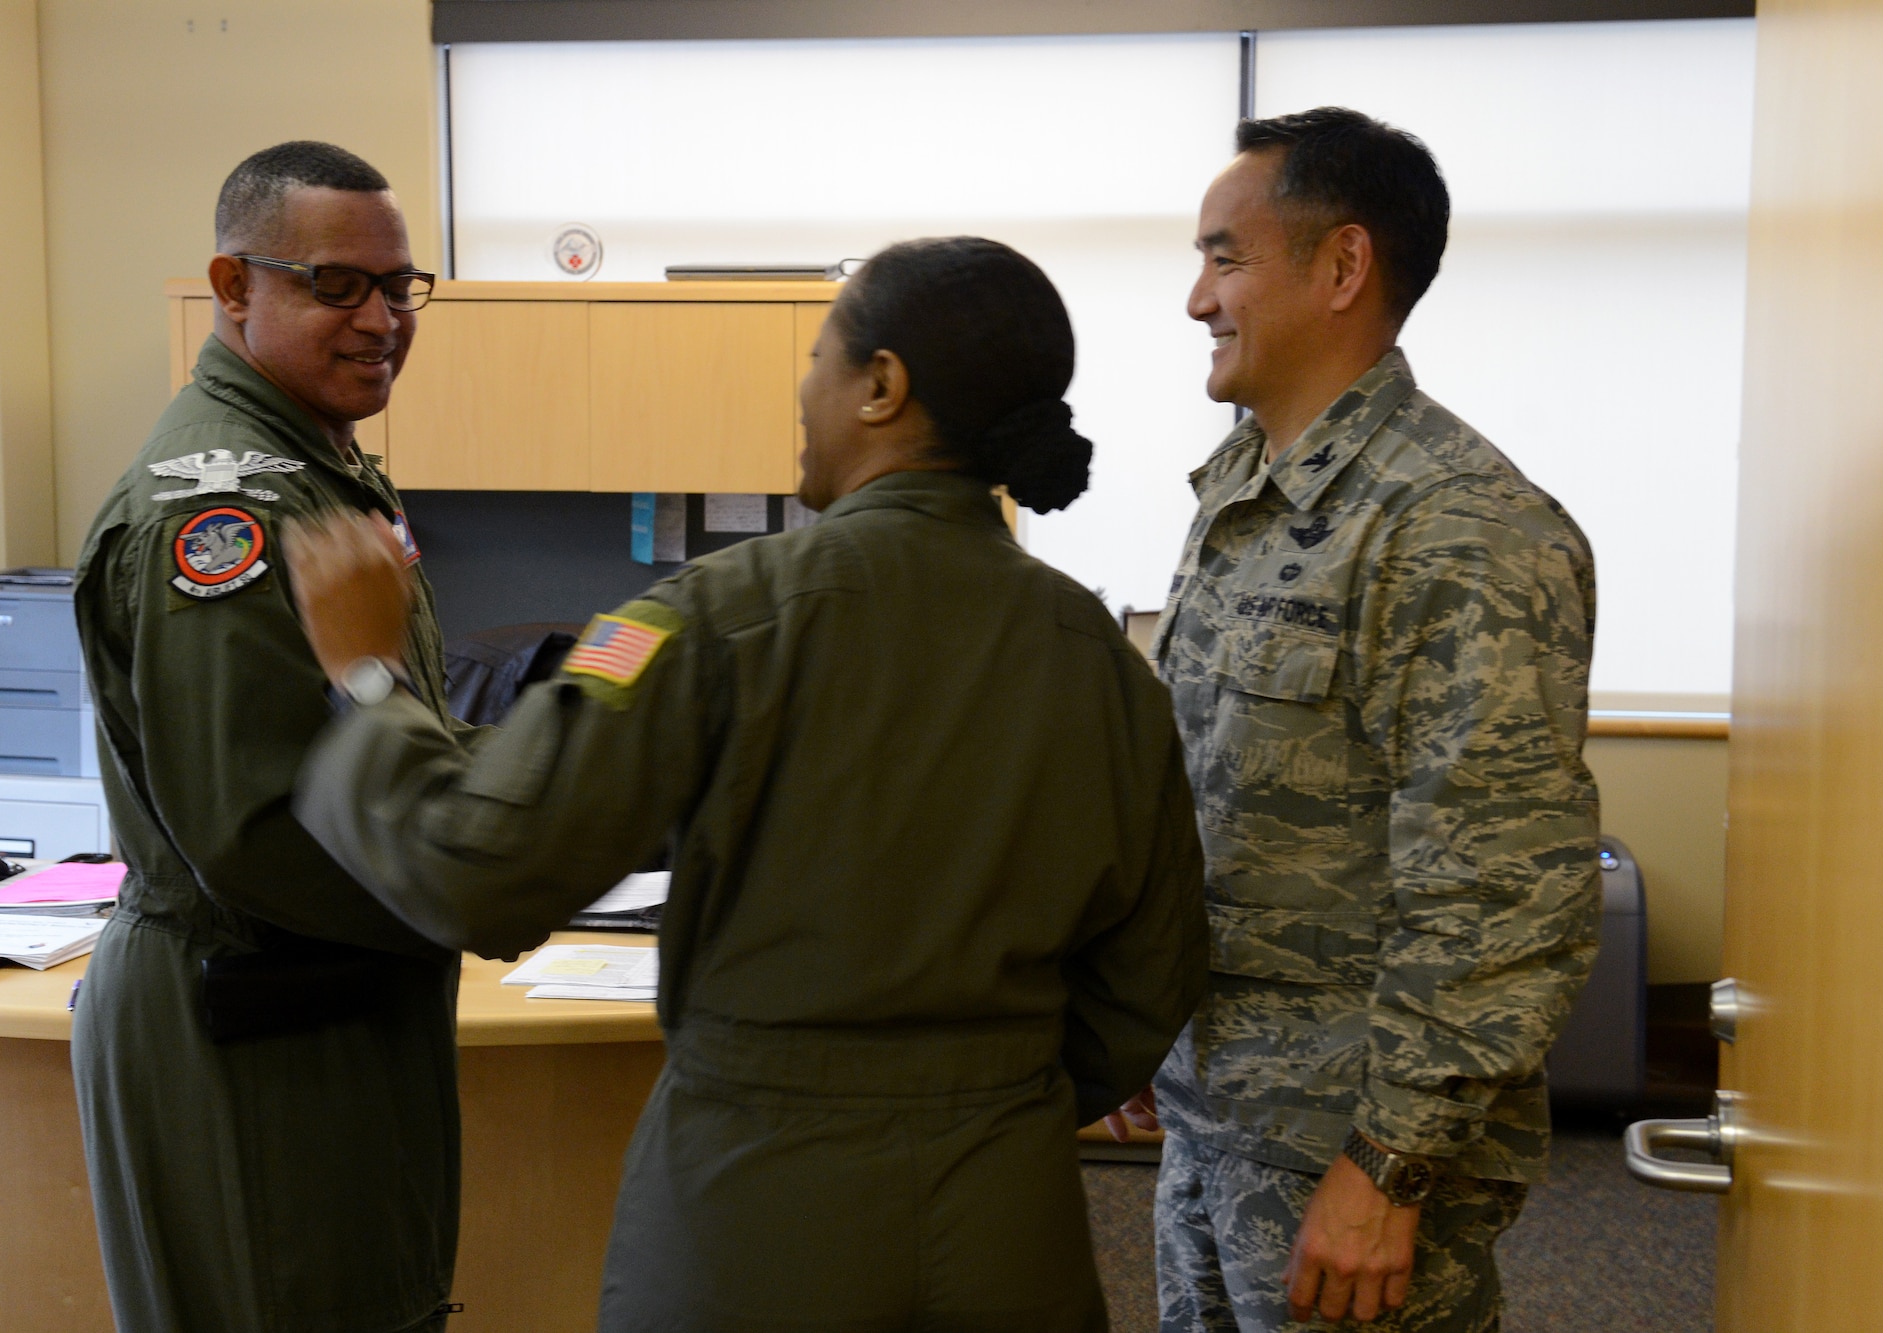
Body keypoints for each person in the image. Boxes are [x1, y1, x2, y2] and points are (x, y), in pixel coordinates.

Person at [285, 237, 1211, 1332]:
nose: (801, 389)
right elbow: (1152, 969)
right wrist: (989, 1094)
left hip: (760, 1211)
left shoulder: (697, 619)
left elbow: (482, 869)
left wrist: (367, 673)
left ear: (880, 385)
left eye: (818, 355)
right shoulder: (1102, 658)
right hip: (1008, 1214)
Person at [1108, 108, 1602, 1331]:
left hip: (1349, 1142)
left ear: (1341, 267)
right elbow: (1214, 802)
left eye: (1224, 258)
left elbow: (1497, 891)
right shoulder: (1242, 495)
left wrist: (1389, 1163)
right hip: (1217, 1108)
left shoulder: (1457, 526)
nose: (1194, 300)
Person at [71, 141, 465, 1333]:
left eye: (399, 287)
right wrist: (477, 869)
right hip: (253, 1011)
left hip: (317, 1008)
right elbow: (252, 833)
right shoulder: (226, 513)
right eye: (335, 285)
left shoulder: (317, 464)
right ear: (234, 286)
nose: (382, 318)